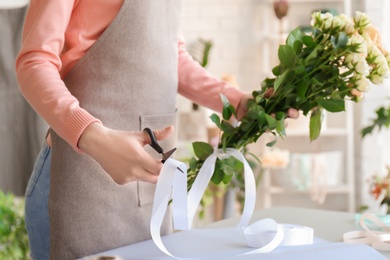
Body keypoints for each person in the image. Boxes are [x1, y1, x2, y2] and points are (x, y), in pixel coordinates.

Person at [16, 1, 298, 259]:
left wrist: (238, 102)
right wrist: (92, 135)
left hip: (150, 188)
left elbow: (171, 55)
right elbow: (34, 62)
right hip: (79, 179)